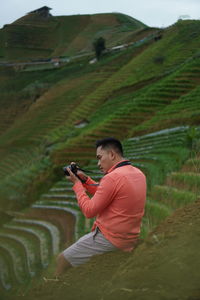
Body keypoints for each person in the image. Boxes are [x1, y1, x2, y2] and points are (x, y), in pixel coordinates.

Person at [55, 137, 146, 277]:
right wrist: (85, 180)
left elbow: (89, 211)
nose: (98, 163)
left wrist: (77, 185)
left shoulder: (112, 178)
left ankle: (51, 289)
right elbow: (107, 192)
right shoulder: (138, 173)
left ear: (111, 154)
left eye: (99, 157)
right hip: (129, 237)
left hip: (111, 238)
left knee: (62, 260)